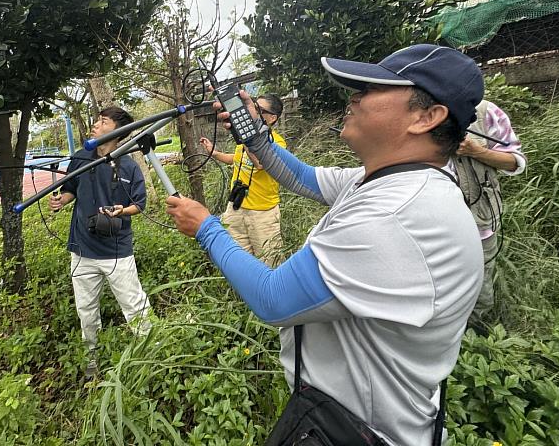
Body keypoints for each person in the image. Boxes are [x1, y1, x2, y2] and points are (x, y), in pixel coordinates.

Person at [166, 44, 485, 446]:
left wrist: (206, 229)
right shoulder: (391, 179)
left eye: (371, 89)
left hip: (359, 431)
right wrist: (258, 137)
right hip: (342, 415)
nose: (354, 97)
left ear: (427, 117)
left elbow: (274, 299)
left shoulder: (394, 215)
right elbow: (302, 177)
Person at [50, 106, 153, 380]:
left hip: (117, 251)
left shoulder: (129, 166)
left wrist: (121, 211)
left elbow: (139, 205)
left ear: (118, 131)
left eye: (102, 121)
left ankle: (152, 354)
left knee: (134, 305)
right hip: (82, 249)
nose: (95, 124)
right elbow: (71, 189)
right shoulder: (81, 157)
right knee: (86, 309)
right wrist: (62, 200)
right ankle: (91, 360)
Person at [453, 100, 525, 326]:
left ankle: (477, 340)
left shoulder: (485, 112)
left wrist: (477, 151)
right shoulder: (411, 112)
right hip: (430, 231)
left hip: (480, 226)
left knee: (480, 293)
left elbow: (515, 162)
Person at [199, 94, 287, 266]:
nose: (253, 111)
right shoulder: (246, 141)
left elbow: (260, 163)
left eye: (261, 110)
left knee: (270, 265)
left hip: (262, 214)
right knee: (239, 262)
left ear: (272, 118)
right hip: (235, 209)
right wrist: (214, 152)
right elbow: (237, 158)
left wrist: (246, 135)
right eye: (254, 106)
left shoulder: (277, 143)